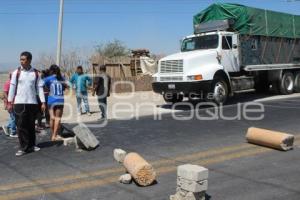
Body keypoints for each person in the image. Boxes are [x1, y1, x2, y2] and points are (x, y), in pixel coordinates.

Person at [7, 51, 46, 156]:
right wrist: (10, 102)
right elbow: (12, 88)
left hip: (32, 102)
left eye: (23, 59)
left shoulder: (36, 73)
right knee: (20, 126)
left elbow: (40, 88)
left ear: (29, 60)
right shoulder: (16, 72)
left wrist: (43, 102)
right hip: (19, 103)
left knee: (31, 125)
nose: (21, 61)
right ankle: (23, 148)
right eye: (20, 59)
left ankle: (32, 145)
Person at [44, 65, 68, 141]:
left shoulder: (48, 79)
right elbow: (67, 86)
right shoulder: (61, 78)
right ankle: (55, 135)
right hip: (60, 100)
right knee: (58, 118)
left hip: (51, 100)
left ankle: (53, 133)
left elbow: (41, 85)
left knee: (52, 118)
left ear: (51, 70)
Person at [2, 73, 17, 138]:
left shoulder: (15, 83)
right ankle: (13, 132)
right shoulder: (8, 83)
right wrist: (9, 102)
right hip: (11, 103)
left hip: (15, 102)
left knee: (13, 117)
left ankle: (7, 126)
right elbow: (5, 93)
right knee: (14, 117)